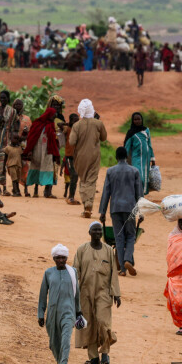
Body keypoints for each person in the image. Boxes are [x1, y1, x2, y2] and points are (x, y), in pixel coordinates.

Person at [74, 222, 122, 364]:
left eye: (99, 231)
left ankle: (105, 352)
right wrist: (73, 292)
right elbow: (75, 271)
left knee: (103, 322)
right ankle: (93, 357)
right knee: (89, 325)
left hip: (103, 292)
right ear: (89, 232)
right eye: (94, 230)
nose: (97, 233)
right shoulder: (82, 250)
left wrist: (116, 294)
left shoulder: (108, 250)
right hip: (85, 292)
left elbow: (114, 273)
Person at [38, 244, 84, 364]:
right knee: (53, 342)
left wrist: (79, 311)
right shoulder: (48, 273)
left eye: (63, 258)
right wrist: (41, 313)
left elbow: (77, 294)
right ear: (54, 258)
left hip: (68, 312)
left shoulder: (72, 272)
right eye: (58, 258)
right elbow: (42, 295)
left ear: (66, 258)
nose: (61, 260)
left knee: (65, 341)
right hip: (52, 313)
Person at [99, 146, 143, 276]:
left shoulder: (110, 171)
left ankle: (122, 270)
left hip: (115, 208)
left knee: (119, 237)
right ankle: (128, 260)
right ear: (127, 157)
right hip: (130, 208)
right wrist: (141, 212)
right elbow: (139, 193)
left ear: (117, 157)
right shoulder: (134, 171)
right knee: (131, 235)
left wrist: (102, 211)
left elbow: (106, 192)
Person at [69, 99, 107, 218]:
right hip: (94, 156)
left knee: (83, 180)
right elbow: (104, 138)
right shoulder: (98, 123)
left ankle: (86, 204)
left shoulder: (76, 125)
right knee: (91, 180)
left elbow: (72, 142)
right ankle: (88, 204)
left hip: (80, 157)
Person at [23, 107, 60, 199]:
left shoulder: (51, 125)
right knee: (36, 168)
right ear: (49, 115)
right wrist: (30, 150)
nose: (54, 118)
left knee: (48, 169)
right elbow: (31, 138)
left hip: (48, 151)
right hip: (37, 150)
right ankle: (35, 190)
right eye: (53, 116)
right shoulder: (37, 124)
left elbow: (54, 140)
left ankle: (48, 192)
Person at [124, 112, 155, 195]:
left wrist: (153, 159)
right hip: (136, 158)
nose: (137, 121)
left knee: (145, 177)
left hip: (146, 158)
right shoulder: (131, 133)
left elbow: (149, 144)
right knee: (138, 176)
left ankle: (142, 195)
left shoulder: (146, 130)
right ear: (132, 121)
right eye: (135, 119)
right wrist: (123, 159)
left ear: (142, 120)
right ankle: (137, 194)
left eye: (139, 119)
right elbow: (126, 146)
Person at [62, 112, 80, 204]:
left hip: (77, 157)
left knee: (75, 176)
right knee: (74, 175)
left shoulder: (79, 130)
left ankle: (71, 196)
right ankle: (71, 197)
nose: (76, 123)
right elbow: (59, 125)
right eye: (74, 121)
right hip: (69, 157)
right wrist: (67, 124)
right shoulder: (68, 129)